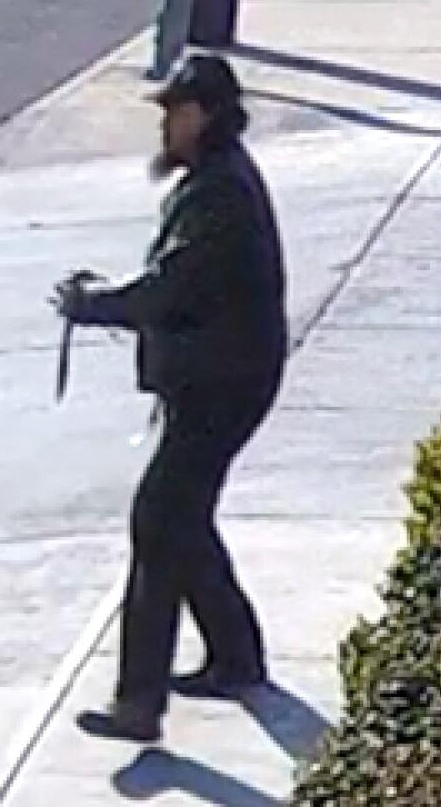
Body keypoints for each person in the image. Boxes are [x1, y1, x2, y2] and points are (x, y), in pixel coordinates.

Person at [53, 53, 287, 741]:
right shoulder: (214, 181)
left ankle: (138, 704)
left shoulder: (220, 192)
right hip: (220, 378)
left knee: (159, 521)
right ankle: (236, 657)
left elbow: (171, 288)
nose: (166, 126)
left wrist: (91, 306)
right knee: (182, 518)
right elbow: (174, 282)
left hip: (225, 385)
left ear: (207, 116)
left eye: (175, 113)